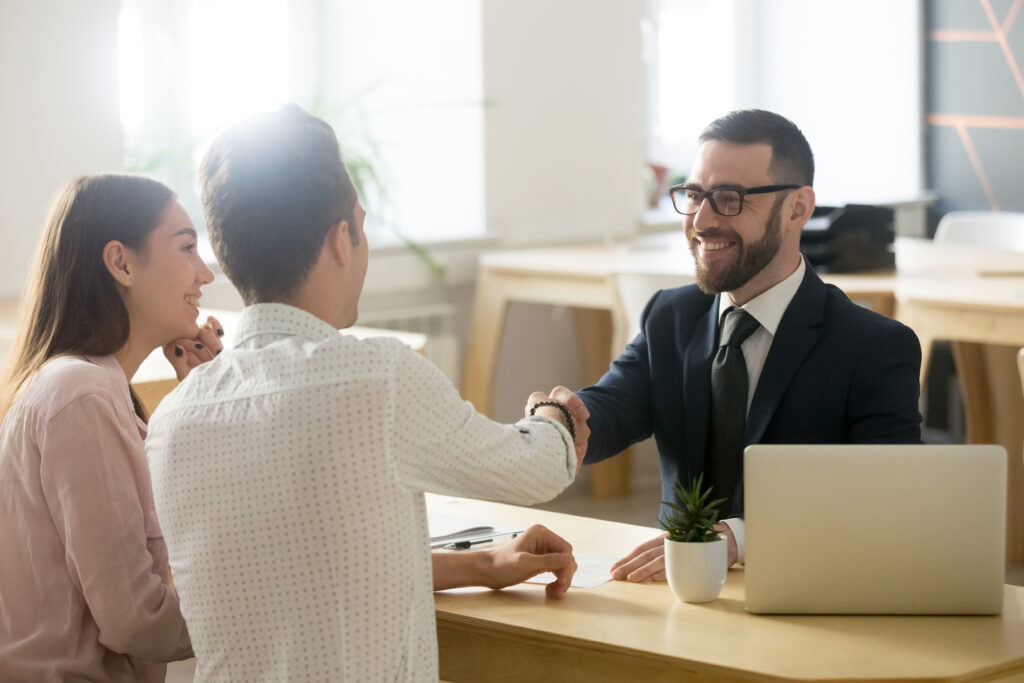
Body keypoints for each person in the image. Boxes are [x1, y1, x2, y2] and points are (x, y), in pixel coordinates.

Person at [145, 104, 590, 682]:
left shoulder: (173, 419)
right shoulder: (377, 378)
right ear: (339, 240)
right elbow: (535, 470)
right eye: (361, 224)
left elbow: (308, 568)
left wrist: (483, 562)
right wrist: (553, 414)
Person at [574, 109, 922, 582]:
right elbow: (613, 406)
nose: (701, 220)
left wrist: (737, 539)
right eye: (694, 194)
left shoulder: (874, 348)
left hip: (806, 594)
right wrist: (559, 419)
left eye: (730, 199)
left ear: (798, 208)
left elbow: (889, 499)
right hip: (674, 594)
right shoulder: (670, 316)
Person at [0, 174, 225, 681]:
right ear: (122, 263)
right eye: (187, 248)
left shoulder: (91, 387)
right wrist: (257, 615)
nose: (204, 275)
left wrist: (201, 407)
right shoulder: (81, 394)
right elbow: (134, 619)